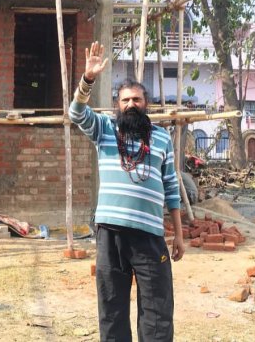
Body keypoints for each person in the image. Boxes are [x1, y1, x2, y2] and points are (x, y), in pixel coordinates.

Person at [69, 41, 184, 342]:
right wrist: (88, 78)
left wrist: (180, 234)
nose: (131, 104)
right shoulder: (105, 129)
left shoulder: (161, 138)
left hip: (150, 235)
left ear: (147, 104)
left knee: (158, 310)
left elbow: (171, 187)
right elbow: (76, 113)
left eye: (136, 99)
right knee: (112, 310)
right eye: (124, 100)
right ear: (117, 105)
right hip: (110, 234)